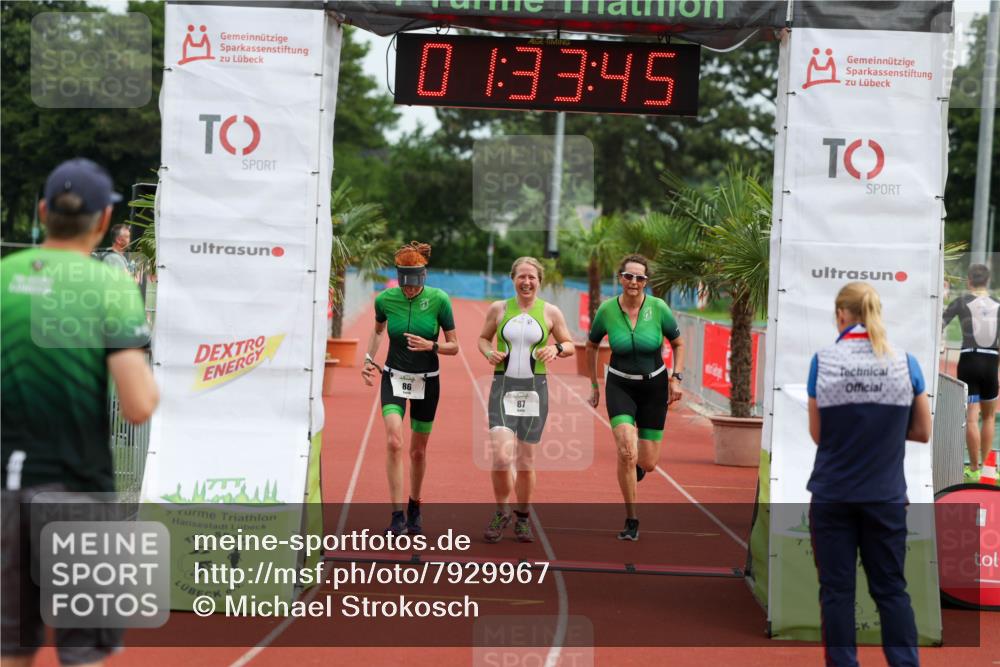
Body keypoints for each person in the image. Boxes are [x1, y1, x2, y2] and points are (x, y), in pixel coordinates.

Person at [1, 158, 159, 667]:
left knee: (10, 646)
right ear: (103, 221)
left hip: (6, 490)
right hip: (79, 491)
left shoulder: (4, 278)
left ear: (44, 211)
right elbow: (138, 406)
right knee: (82, 652)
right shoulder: (109, 287)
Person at [807, 282, 931, 667]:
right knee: (891, 590)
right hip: (885, 496)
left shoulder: (823, 361)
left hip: (833, 495)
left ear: (841, 314)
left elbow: (818, 434)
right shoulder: (905, 362)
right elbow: (923, 432)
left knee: (837, 592)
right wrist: (885, 432)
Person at [361, 241, 458, 535]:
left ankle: (415, 504)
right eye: (405, 282)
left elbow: (454, 346)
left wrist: (432, 345)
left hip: (427, 381)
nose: (411, 289)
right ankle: (396, 516)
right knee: (394, 441)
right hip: (394, 377)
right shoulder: (385, 300)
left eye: (415, 283)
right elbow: (378, 331)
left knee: (417, 451)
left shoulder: (440, 300)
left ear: (424, 276)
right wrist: (369, 359)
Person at [586, 254, 685, 541]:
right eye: (628, 276)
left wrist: (676, 378)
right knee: (627, 450)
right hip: (620, 386)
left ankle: (637, 469)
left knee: (648, 462)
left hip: (654, 387)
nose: (633, 282)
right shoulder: (607, 310)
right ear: (620, 278)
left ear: (646, 281)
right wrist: (594, 384)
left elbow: (678, 343)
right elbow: (591, 345)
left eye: (639, 278)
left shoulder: (658, 308)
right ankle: (632, 520)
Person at [478, 257, 575, 543]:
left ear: (539, 281)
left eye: (532, 277)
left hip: (535, 389)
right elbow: (483, 339)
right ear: (513, 279)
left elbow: (569, 344)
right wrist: (489, 353)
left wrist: (556, 349)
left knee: (525, 460)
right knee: (501, 456)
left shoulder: (551, 312)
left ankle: (522, 517)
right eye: (521, 276)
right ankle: (502, 511)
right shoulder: (498, 308)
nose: (527, 281)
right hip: (503, 387)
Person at [941, 263, 999, 481]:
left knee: (972, 418)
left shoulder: (960, 301)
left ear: (969, 281)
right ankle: (987, 469)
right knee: (989, 417)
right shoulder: (998, 304)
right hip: (990, 361)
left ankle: (973, 469)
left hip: (968, 361)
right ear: (988, 281)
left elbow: (940, 324)